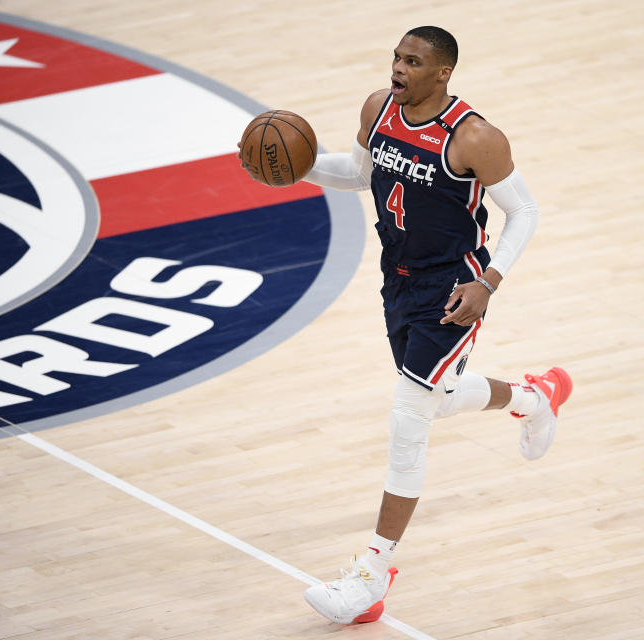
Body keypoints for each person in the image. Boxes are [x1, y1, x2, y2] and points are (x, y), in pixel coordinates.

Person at [241, 26, 572, 625]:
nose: (398, 67)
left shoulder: (475, 137)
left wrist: (488, 282)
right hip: (398, 279)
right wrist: (299, 167)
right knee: (436, 399)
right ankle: (534, 396)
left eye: (412, 61)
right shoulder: (378, 108)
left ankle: (370, 575)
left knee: (408, 417)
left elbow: (524, 209)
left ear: (442, 72)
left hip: (454, 286)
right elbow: (362, 174)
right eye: (396, 56)